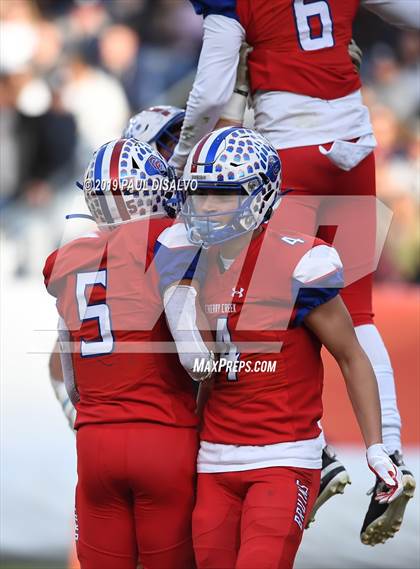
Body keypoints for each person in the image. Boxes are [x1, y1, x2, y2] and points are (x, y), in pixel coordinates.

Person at [167, 0, 418, 544]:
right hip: (356, 142)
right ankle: (388, 458)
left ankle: (320, 451)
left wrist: (183, 155)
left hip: (290, 147)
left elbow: (210, 91)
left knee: (262, 290)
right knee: (356, 312)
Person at [159, 126, 404, 569]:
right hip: (214, 457)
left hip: (283, 455)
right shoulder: (190, 262)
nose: (206, 205)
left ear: (259, 195)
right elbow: (204, 377)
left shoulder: (300, 261)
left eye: (221, 193)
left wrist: (376, 445)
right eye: (199, 193)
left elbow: (351, 355)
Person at [43, 138, 198, 569]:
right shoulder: (168, 240)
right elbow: (193, 357)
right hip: (164, 434)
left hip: (96, 442)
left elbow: (69, 373)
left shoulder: (71, 258)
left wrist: (94, 412)